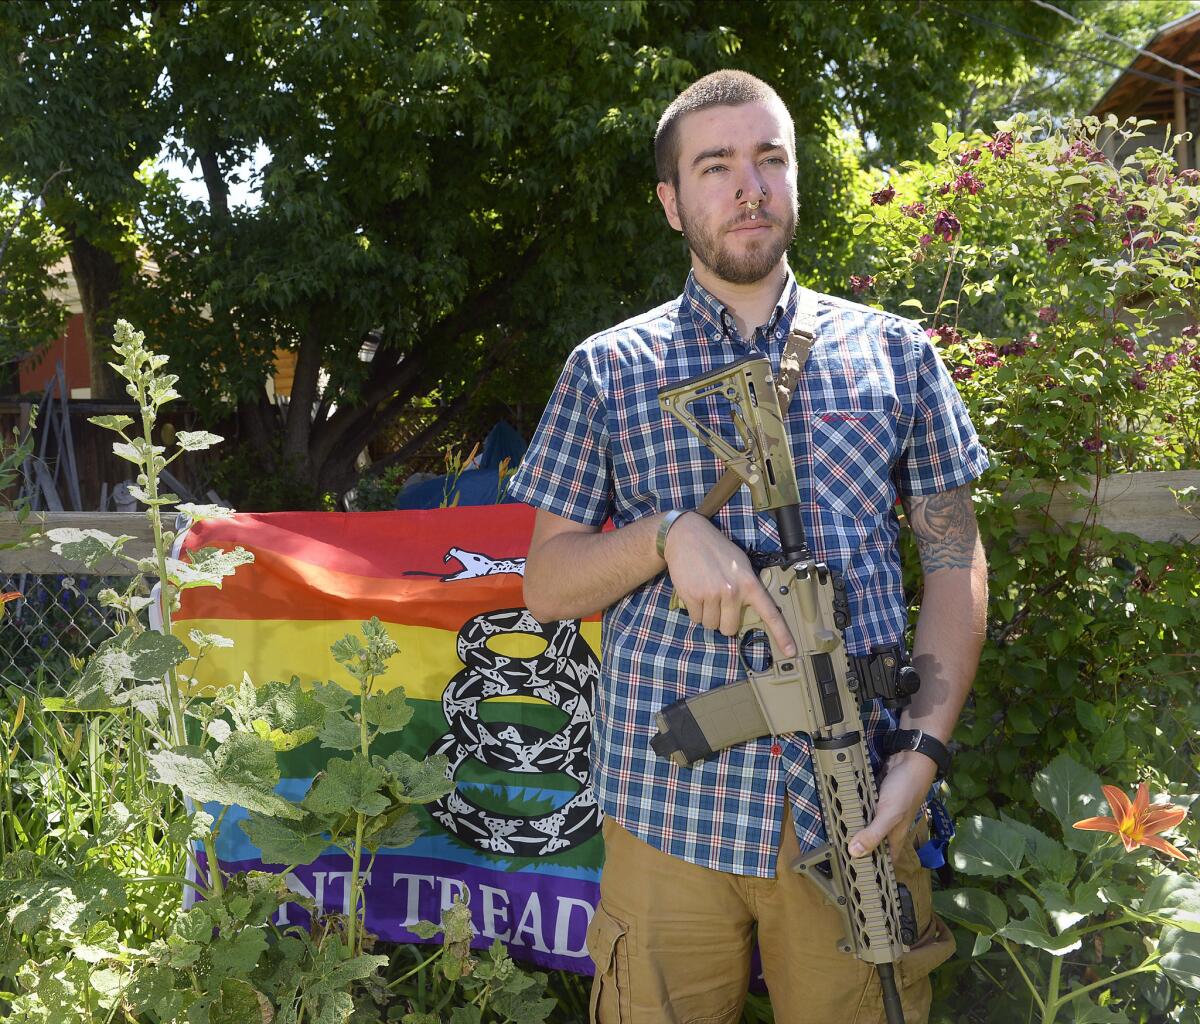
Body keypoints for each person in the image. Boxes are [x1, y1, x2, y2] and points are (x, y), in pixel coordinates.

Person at [505, 69, 989, 1024]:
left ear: (796, 177)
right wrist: (667, 534)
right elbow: (546, 585)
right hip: (666, 815)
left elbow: (953, 562)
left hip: (856, 807)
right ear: (671, 201)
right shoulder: (609, 369)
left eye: (770, 158)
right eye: (715, 165)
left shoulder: (895, 354)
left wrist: (923, 752)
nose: (748, 186)